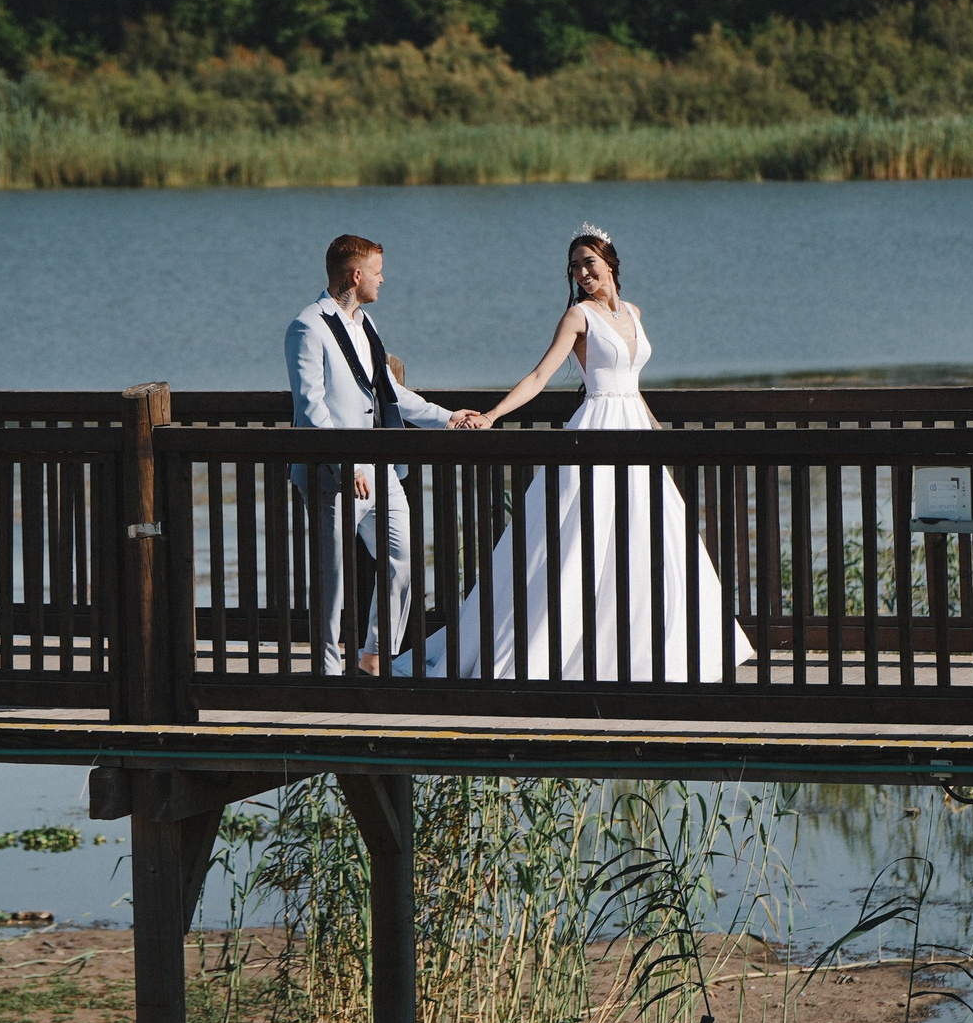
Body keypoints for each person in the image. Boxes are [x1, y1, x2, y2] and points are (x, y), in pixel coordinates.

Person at [395, 224, 752, 682]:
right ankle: (560, 646)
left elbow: (634, 386)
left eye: (589, 262)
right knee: (581, 536)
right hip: (597, 427)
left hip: (635, 428)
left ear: (610, 262)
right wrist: (493, 414)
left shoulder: (634, 312)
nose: (583, 272)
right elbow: (540, 375)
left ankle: (653, 647)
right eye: (575, 266)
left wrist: (658, 431)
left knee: (651, 535)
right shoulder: (579, 317)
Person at [285, 234, 485, 673]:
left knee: (404, 558)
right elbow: (310, 407)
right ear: (356, 276)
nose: (383, 279)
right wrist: (346, 461)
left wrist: (447, 417)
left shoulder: (366, 324)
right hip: (333, 473)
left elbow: (389, 392)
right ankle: (327, 672)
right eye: (377, 272)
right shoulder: (308, 326)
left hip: (380, 468)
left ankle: (374, 656)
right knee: (331, 579)